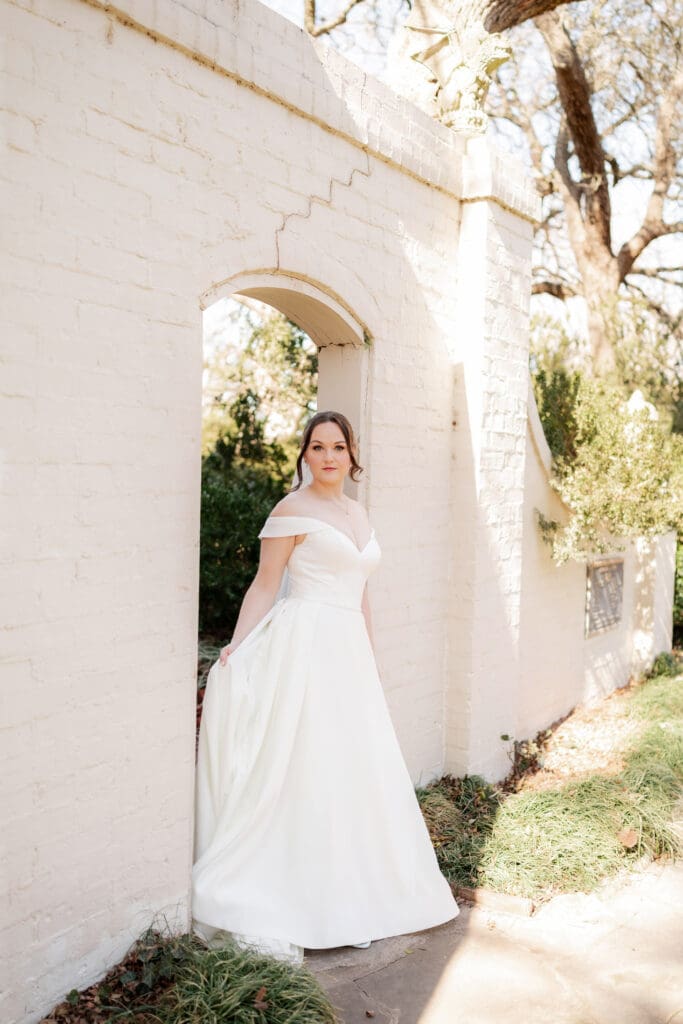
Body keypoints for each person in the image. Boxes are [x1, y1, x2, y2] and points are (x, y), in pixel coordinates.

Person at [191, 409, 459, 964]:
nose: (329, 456)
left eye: (338, 447)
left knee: (349, 770)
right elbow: (265, 588)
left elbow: (361, 594)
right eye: (318, 447)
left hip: (348, 653)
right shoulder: (291, 510)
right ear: (305, 455)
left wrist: (372, 661)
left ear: (351, 455)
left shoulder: (358, 513)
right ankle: (297, 898)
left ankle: (348, 899)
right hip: (305, 646)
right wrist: (234, 649)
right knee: (306, 765)